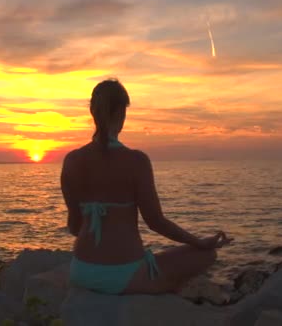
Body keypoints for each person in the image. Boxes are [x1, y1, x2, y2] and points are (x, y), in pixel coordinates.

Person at [61, 78, 232, 295]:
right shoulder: (136, 161)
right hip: (124, 274)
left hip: (82, 271)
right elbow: (155, 222)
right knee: (207, 255)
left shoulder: (72, 160)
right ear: (121, 114)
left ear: (93, 112)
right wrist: (199, 242)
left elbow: (75, 227)